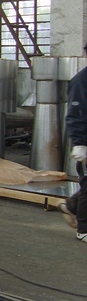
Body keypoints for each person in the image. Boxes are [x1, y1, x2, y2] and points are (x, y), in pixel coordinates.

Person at [59, 43, 87, 243]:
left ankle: (71, 206)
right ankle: (84, 230)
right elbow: (75, 115)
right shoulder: (81, 80)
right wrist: (80, 143)